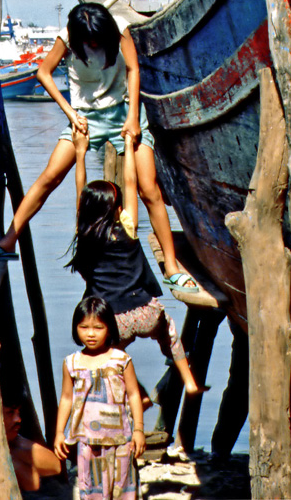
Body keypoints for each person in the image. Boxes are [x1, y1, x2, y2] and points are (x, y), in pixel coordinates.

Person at [0, 3, 201, 297]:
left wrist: (133, 117)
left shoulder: (119, 27)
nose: (94, 43)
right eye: (88, 39)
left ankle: (172, 267)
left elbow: (133, 69)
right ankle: (7, 242)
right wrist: (71, 114)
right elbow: (44, 73)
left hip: (124, 112)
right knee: (49, 177)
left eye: (98, 37)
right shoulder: (67, 38)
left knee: (149, 190)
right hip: (86, 117)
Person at [67, 127, 207, 397]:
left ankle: (139, 395)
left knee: (112, 355)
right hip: (146, 312)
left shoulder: (84, 234)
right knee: (168, 330)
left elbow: (80, 188)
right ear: (118, 209)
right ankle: (189, 381)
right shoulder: (127, 228)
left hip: (113, 320)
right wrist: (129, 146)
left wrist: (80, 152)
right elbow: (130, 182)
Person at [54, 296, 145, 500]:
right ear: (75, 329)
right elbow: (66, 399)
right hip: (87, 442)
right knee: (91, 490)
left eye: (98, 327)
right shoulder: (71, 363)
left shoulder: (121, 360)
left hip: (122, 440)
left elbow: (133, 395)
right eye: (84, 327)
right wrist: (60, 432)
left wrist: (139, 429)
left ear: (109, 329)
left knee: (123, 490)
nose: (91, 334)